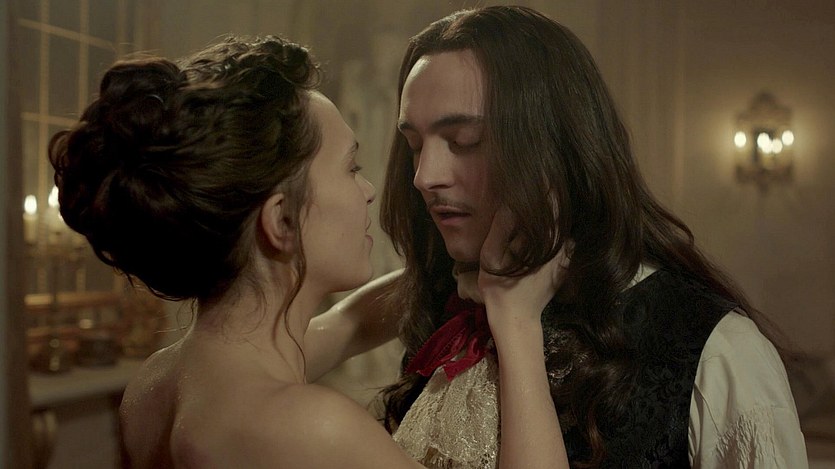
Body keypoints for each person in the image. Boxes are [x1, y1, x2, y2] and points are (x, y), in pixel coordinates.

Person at [48, 35, 568, 469]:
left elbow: (347, 325)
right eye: (350, 167)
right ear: (281, 221)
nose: (369, 190)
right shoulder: (310, 428)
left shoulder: (157, 385)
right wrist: (516, 320)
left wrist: (465, 270)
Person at [328, 5, 806, 469]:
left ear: (553, 146)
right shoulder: (446, 305)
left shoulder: (716, 351)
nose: (424, 177)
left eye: (465, 142)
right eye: (414, 145)